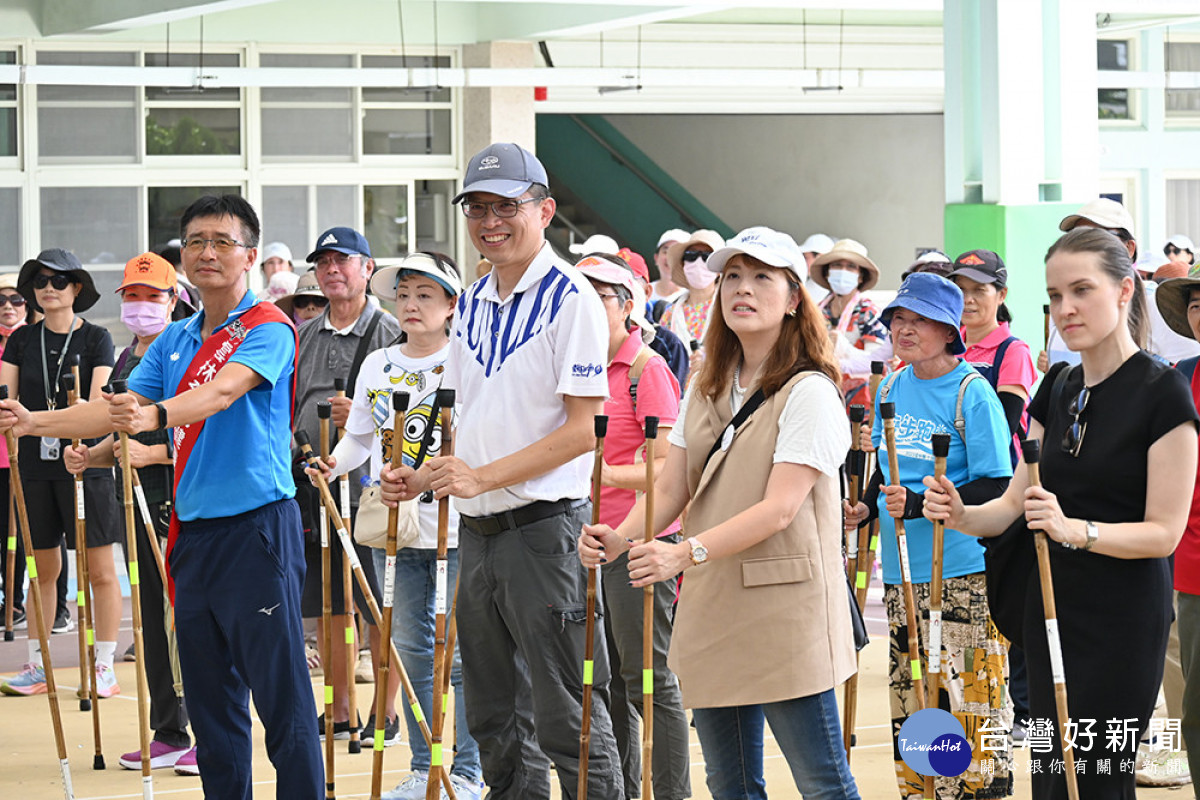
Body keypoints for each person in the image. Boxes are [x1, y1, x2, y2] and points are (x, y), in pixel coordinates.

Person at [0, 194, 324, 798]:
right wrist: (32, 423)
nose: (207, 252)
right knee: (209, 697)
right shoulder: (175, 340)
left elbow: (221, 395)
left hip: (257, 533)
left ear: (250, 255)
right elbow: (108, 412)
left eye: (222, 242)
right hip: (193, 535)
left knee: (280, 694)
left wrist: (151, 417)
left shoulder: (269, 326)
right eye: (197, 241)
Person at [580, 226, 861, 800]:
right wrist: (621, 536)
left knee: (822, 783)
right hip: (713, 604)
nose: (743, 288)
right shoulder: (706, 386)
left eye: (763, 277)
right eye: (733, 275)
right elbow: (674, 483)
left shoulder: (809, 390)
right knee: (730, 783)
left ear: (793, 300)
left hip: (786, 609)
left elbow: (781, 508)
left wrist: (683, 551)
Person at [380, 142, 620, 799]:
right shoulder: (476, 298)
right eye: (478, 207)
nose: (490, 220)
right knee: (491, 717)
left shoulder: (572, 298)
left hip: (545, 534)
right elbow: (463, 422)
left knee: (564, 712)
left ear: (544, 210)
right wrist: (417, 475)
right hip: (476, 537)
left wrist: (481, 480)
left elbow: (581, 433)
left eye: (506, 206)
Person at [924, 227, 1198, 799]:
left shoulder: (1163, 392)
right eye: (1054, 295)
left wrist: (1077, 531)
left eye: (1081, 290)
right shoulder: (1058, 384)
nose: (1065, 308)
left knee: (1097, 779)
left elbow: (1164, 533)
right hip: (1048, 608)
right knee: (1051, 777)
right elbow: (1010, 508)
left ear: (1124, 292)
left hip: (1121, 618)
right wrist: (959, 513)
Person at [312, 250, 484, 800]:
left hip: (458, 529)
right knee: (409, 650)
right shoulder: (379, 364)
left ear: (452, 305)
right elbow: (360, 435)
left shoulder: (469, 360)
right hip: (397, 525)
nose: (411, 305)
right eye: (403, 294)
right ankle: (422, 765)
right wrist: (333, 464)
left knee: (460, 654)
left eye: (425, 295)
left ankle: (470, 769)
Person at [844, 272, 1014, 799]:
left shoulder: (973, 392)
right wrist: (865, 505)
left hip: (961, 569)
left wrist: (921, 504)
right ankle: (924, 791)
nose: (904, 329)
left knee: (968, 701)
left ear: (949, 331)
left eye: (919, 320)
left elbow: (997, 483)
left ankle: (976, 790)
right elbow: (888, 471)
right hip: (901, 572)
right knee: (914, 696)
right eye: (899, 318)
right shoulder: (892, 385)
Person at [61, 252, 200, 773]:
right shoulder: (124, 359)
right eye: (133, 296)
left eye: (152, 296)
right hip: (131, 496)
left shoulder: (186, 350)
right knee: (148, 618)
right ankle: (167, 729)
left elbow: (199, 426)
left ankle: (205, 733)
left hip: (177, 495)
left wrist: (154, 453)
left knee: (183, 616)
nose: (141, 306)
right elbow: (117, 432)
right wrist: (89, 454)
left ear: (174, 300)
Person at [573, 253, 690, 800]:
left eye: (602, 295)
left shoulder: (648, 369)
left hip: (641, 538)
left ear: (627, 306)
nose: (591, 306)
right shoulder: (571, 368)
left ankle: (669, 793)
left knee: (650, 680)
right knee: (608, 680)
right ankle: (619, 787)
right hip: (582, 540)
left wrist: (601, 471)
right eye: (582, 295)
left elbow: (668, 467)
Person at [292, 226, 402, 746]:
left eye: (343, 261)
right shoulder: (305, 334)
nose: (332, 270)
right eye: (323, 263)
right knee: (330, 602)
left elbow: (414, 414)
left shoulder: (391, 332)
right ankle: (339, 708)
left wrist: (362, 413)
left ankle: (387, 708)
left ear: (367, 267)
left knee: (379, 601)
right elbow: (290, 410)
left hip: (374, 491)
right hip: (315, 483)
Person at [0, 249, 123, 699]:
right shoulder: (20, 340)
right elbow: (7, 397)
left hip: (83, 463)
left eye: (58, 280)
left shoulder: (96, 338)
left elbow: (97, 405)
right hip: (34, 465)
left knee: (99, 569)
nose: (47, 288)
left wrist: (77, 427)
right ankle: (39, 664)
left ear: (76, 289)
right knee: (43, 567)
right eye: (40, 281)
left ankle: (104, 664)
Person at [810, 238, 889, 408]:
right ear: (827, 272)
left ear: (860, 277)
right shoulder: (817, 311)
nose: (843, 271)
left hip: (859, 404)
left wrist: (842, 347)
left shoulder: (868, 313)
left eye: (851, 267)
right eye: (837, 265)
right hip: (820, 396)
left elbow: (876, 363)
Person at [614, 247, 690, 391]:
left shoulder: (669, 344)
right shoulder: (595, 336)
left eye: (631, 281)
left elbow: (673, 403)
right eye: (614, 283)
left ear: (647, 291)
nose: (621, 290)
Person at [0, 272, 28, 630]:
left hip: (20, 453)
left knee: (23, 532)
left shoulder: (27, 344)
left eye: (16, 300)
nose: (8, 307)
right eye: (1, 301)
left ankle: (16, 602)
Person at [661, 229, 726, 355]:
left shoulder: (727, 309)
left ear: (719, 269)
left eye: (707, 257)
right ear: (683, 264)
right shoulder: (670, 314)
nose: (698, 262)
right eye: (691, 255)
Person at [649, 229, 688, 307]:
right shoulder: (645, 292)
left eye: (677, 253)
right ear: (656, 258)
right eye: (666, 252)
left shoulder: (690, 298)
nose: (670, 257)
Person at [799, 232, 835, 305]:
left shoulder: (834, 290)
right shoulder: (809, 285)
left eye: (806, 258)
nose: (803, 262)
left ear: (819, 258)